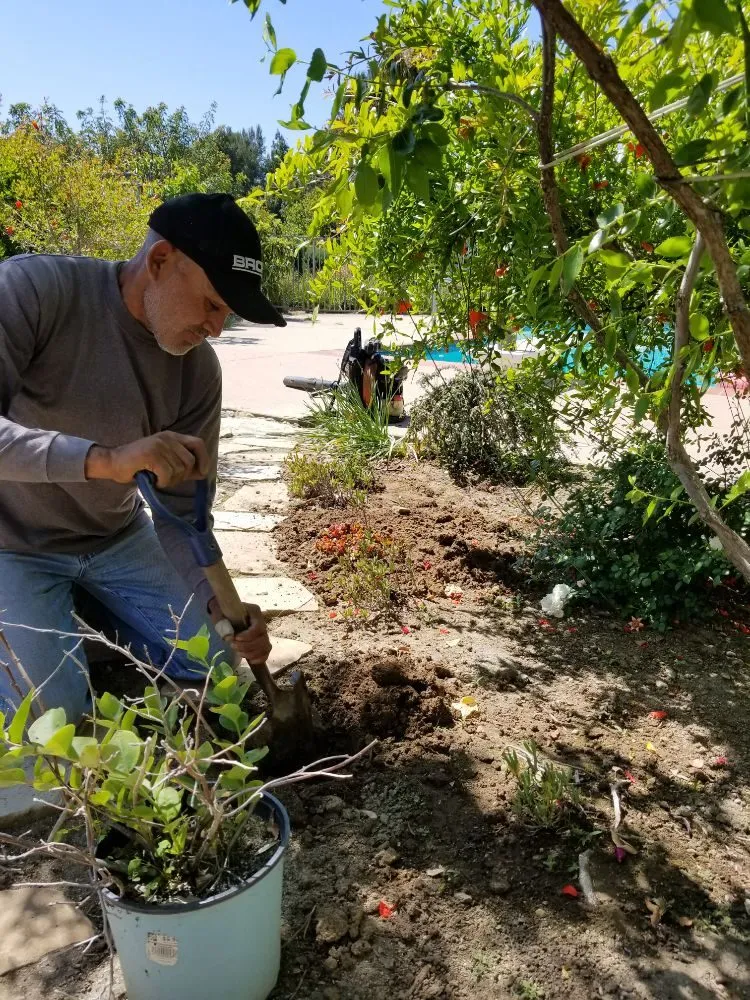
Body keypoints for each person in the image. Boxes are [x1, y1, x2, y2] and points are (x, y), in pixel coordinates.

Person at [0, 192, 284, 724]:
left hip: (115, 541)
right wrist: (105, 460)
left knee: (219, 672)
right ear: (160, 262)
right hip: (12, 544)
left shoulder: (197, 373)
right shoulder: (34, 291)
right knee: (49, 721)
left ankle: (77, 617)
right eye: (213, 304)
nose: (217, 329)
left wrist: (218, 602)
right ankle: (52, 621)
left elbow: (182, 519)